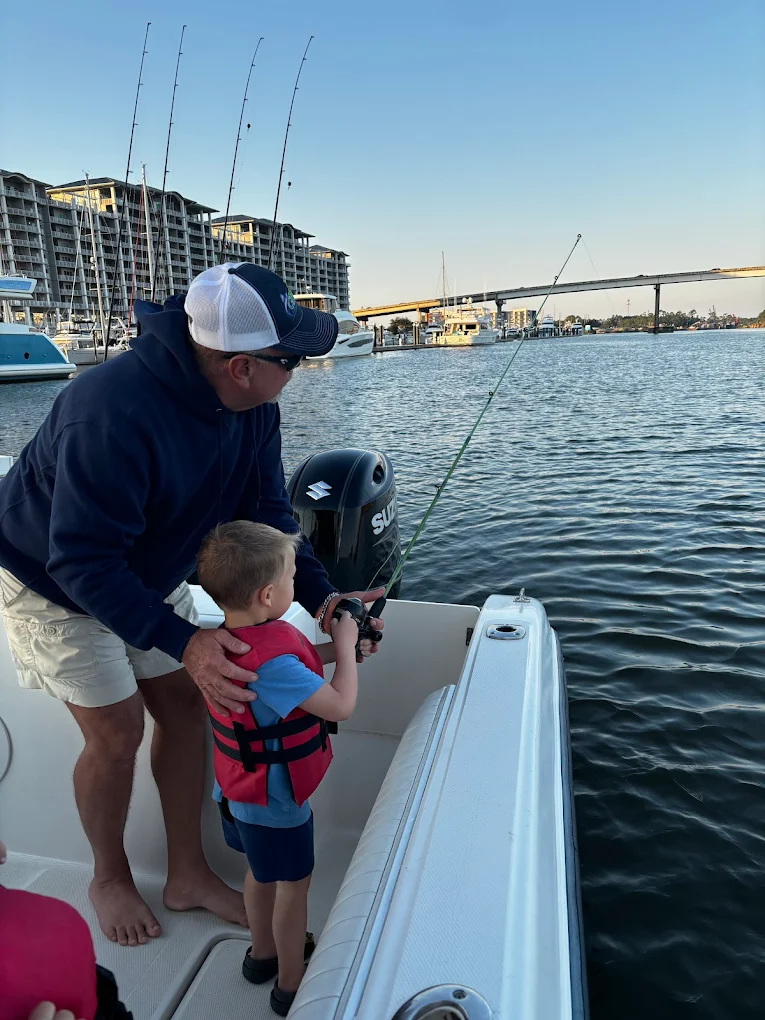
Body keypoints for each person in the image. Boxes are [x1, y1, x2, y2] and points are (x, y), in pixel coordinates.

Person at [0, 263, 384, 949]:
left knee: (183, 705)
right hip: (51, 580)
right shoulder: (108, 411)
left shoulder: (254, 409)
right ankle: (109, 875)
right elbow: (80, 561)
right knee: (116, 732)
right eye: (290, 359)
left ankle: (186, 873)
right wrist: (187, 642)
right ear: (239, 365)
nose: (295, 371)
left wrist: (327, 599)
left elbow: (266, 516)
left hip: (149, 566)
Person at [196, 521, 365, 1016]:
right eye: (294, 577)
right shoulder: (274, 660)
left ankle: (261, 955)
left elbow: (302, 662)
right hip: (276, 805)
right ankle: (290, 983)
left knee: (260, 873)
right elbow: (340, 705)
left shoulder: (231, 640)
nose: (298, 585)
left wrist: (342, 650)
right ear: (269, 594)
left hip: (235, 794)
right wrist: (349, 638)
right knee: (294, 888)